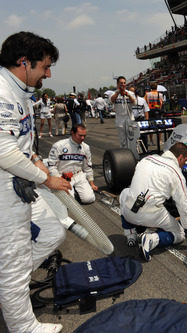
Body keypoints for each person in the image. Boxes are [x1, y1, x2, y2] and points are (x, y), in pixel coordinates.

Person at [0, 30, 71, 333]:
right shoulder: (3, 90)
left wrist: (40, 165)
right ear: (24, 62)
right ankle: (23, 328)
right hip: (5, 190)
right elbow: (3, 150)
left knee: (54, 228)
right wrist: (47, 179)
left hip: (20, 183)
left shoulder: (21, 93)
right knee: (14, 263)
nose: (49, 73)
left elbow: (24, 147)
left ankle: (8, 285)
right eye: (44, 66)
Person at [119, 142, 187, 260]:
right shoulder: (176, 173)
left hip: (129, 211)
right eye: (185, 161)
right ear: (180, 157)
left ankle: (130, 235)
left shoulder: (146, 159)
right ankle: (151, 240)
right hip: (150, 214)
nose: (184, 164)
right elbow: (183, 206)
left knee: (125, 192)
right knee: (180, 234)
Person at [47, 124, 97, 204]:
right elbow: (51, 166)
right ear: (72, 133)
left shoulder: (86, 147)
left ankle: (76, 191)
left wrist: (92, 183)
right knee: (69, 202)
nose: (82, 138)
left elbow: (88, 166)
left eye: (84, 136)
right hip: (62, 176)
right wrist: (58, 179)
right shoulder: (59, 145)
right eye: (80, 135)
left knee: (89, 199)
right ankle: (71, 193)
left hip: (78, 175)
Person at [110, 76, 136, 148]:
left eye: (124, 83)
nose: (123, 84)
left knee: (132, 137)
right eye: (121, 83)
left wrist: (128, 95)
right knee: (123, 140)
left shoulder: (130, 93)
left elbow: (134, 102)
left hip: (129, 117)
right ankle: (125, 153)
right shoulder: (113, 93)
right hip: (120, 119)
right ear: (118, 84)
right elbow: (112, 101)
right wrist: (118, 93)